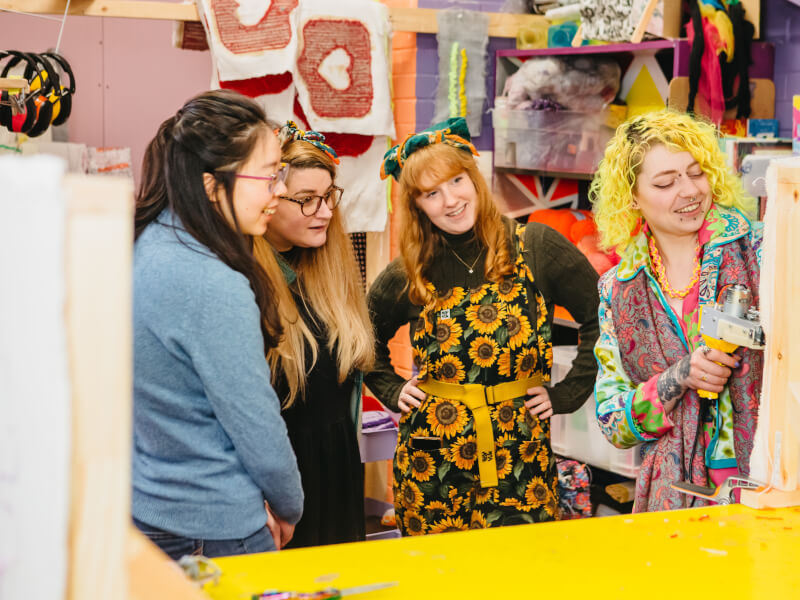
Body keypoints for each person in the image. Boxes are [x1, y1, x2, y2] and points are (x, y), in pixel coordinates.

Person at [365, 117, 600, 535]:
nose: (450, 200)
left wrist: (569, 392)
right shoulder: (410, 272)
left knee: (520, 575)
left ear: (473, 178)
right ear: (417, 206)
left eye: (456, 182)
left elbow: (603, 316)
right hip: (432, 463)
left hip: (519, 456)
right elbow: (361, 340)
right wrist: (391, 388)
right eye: (431, 194)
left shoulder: (536, 247)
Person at [132, 90, 303, 559]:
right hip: (215, 525)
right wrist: (289, 504)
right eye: (270, 175)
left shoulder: (148, 242)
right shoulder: (209, 281)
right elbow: (253, 420)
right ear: (212, 185)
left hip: (151, 506)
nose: (281, 190)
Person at [590, 110, 763, 513]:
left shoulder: (759, 252)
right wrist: (679, 376)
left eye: (696, 173)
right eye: (666, 182)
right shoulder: (618, 289)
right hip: (674, 493)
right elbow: (612, 421)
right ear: (632, 196)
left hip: (765, 481)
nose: (689, 191)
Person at [251, 121, 374, 547]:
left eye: (327, 198)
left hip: (337, 468)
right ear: (268, 199)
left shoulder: (329, 273)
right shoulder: (248, 285)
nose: (323, 212)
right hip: (283, 480)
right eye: (305, 200)